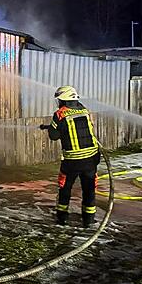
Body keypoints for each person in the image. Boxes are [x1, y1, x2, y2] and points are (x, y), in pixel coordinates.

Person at [39, 85, 101, 227]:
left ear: (63, 100)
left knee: (65, 188)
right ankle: (89, 220)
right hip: (91, 159)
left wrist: (54, 128)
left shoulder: (60, 114)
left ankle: (62, 219)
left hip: (72, 161)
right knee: (89, 189)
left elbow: (54, 136)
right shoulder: (83, 110)